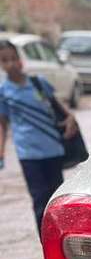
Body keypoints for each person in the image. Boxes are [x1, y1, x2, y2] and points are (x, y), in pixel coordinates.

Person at [0, 39, 78, 234]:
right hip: (28, 155)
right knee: (39, 200)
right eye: (4, 60)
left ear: (20, 60)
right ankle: (46, 242)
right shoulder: (3, 93)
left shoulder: (38, 83)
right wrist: (1, 153)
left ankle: (62, 239)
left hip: (53, 148)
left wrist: (70, 120)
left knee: (56, 200)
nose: (10, 64)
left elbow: (62, 109)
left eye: (12, 58)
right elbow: (2, 126)